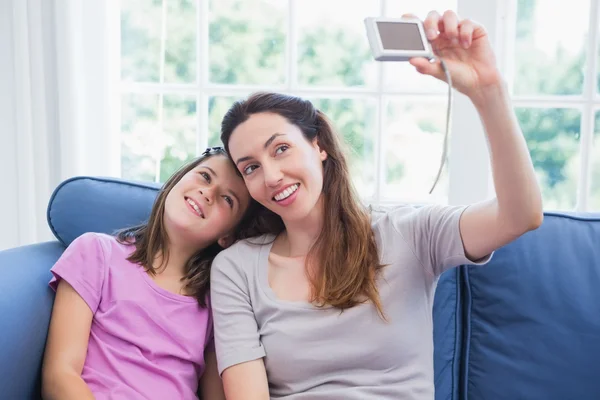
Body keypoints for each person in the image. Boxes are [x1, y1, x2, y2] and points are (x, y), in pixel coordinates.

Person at [209, 9, 544, 400]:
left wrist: (488, 93)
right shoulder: (236, 268)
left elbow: (520, 215)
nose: (271, 176)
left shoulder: (408, 232)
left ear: (318, 146)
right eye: (251, 167)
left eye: (281, 149)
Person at [41, 147, 257, 400]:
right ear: (176, 180)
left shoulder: (218, 298)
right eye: (205, 177)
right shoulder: (96, 252)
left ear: (227, 236)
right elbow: (59, 376)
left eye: (227, 199)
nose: (208, 193)